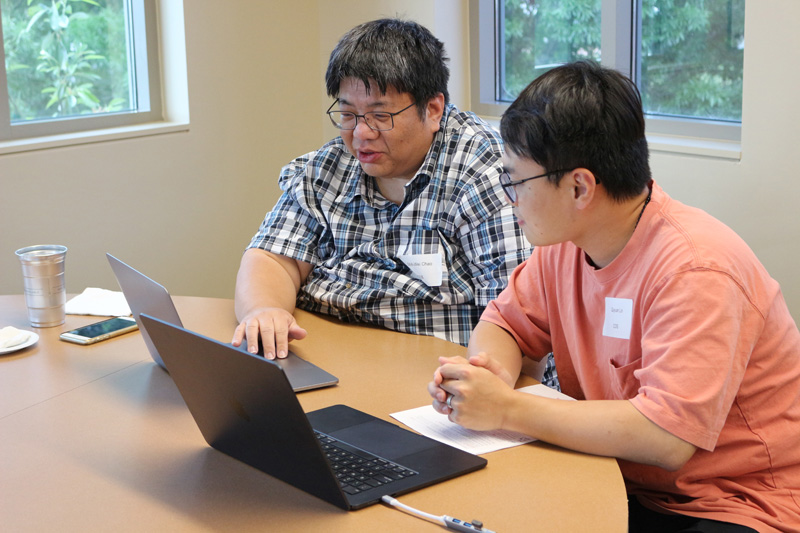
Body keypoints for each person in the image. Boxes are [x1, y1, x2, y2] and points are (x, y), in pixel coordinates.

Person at [429, 61, 800, 533]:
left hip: (735, 502)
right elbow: (503, 324)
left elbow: (665, 437)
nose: (509, 199)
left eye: (516, 181)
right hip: (617, 476)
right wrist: (486, 377)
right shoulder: (566, 243)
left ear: (580, 186)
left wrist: (505, 408)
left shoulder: (697, 268)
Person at [232, 19, 537, 367]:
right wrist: (265, 311)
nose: (361, 133)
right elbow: (272, 257)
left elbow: (513, 317)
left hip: (426, 366)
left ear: (433, 109)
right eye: (348, 114)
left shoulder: (485, 173)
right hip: (321, 351)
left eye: (380, 115)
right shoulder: (330, 166)